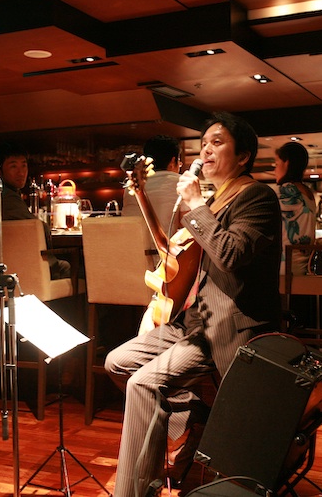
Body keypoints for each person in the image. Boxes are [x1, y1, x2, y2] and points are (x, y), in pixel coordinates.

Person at [104, 112, 282, 497]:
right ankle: (189, 417)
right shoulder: (215, 200)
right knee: (117, 362)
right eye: (203, 143)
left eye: (217, 142)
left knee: (143, 383)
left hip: (229, 326)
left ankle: (134, 490)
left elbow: (230, 255)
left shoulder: (258, 197)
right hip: (194, 322)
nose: (206, 150)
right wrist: (190, 205)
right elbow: (177, 252)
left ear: (243, 156)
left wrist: (197, 203)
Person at [0, 143, 70, 279]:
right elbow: (38, 228)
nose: (21, 172)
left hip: (8, 266)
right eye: (13, 166)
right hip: (25, 270)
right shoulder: (6, 197)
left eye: (24, 165)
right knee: (77, 266)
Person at [121, 134, 187, 236]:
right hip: (163, 245)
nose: (180, 165)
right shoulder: (181, 183)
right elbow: (188, 224)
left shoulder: (131, 185)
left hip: (130, 243)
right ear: (173, 161)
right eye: (179, 161)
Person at [274, 141, 316, 275]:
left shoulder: (285, 191)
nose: (274, 171)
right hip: (303, 266)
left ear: (287, 163)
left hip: (285, 267)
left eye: (276, 164)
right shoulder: (308, 193)